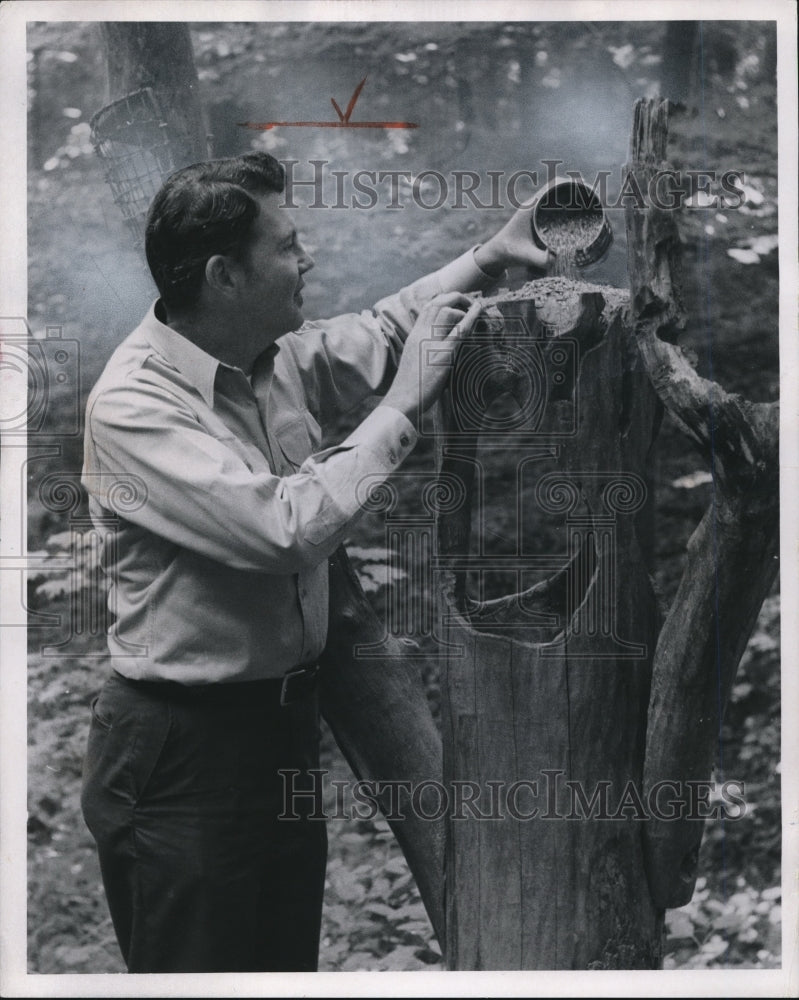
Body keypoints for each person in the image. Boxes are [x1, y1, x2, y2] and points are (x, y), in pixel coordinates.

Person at [80, 151, 549, 973]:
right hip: (182, 752)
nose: (309, 259)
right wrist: (405, 402)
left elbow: (386, 328)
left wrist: (489, 256)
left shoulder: (273, 359)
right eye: (288, 246)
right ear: (226, 275)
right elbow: (283, 529)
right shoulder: (133, 406)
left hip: (276, 733)